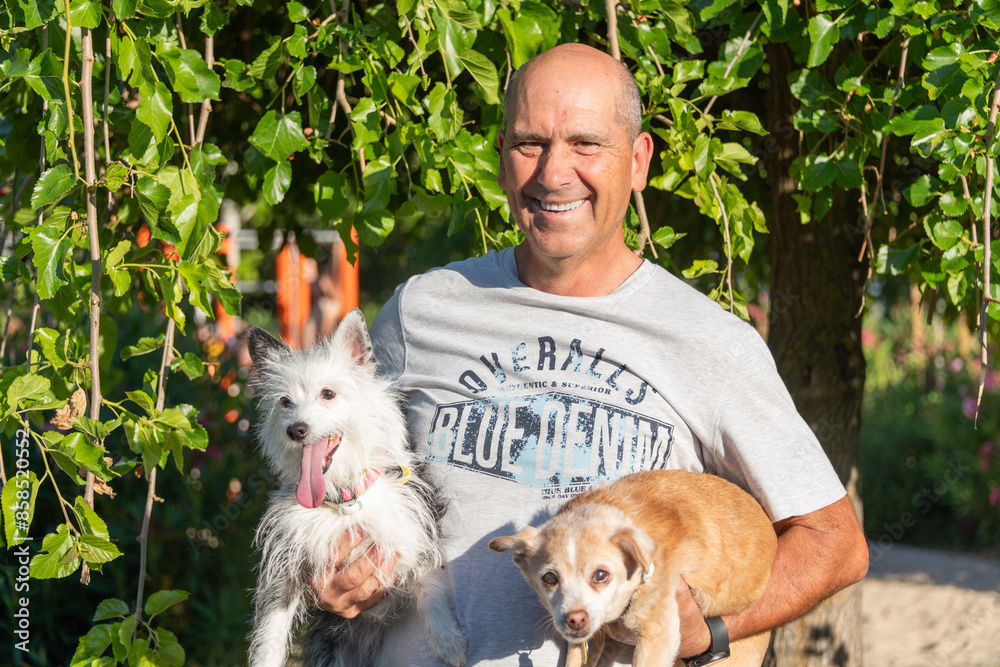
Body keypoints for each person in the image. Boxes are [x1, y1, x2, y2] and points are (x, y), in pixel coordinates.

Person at [312, 43, 869, 666]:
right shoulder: (421, 313)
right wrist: (332, 562)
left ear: (637, 161)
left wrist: (706, 630)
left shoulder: (711, 342)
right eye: (530, 143)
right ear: (501, 159)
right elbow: (328, 471)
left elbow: (835, 543)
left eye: (585, 144)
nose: (554, 173)